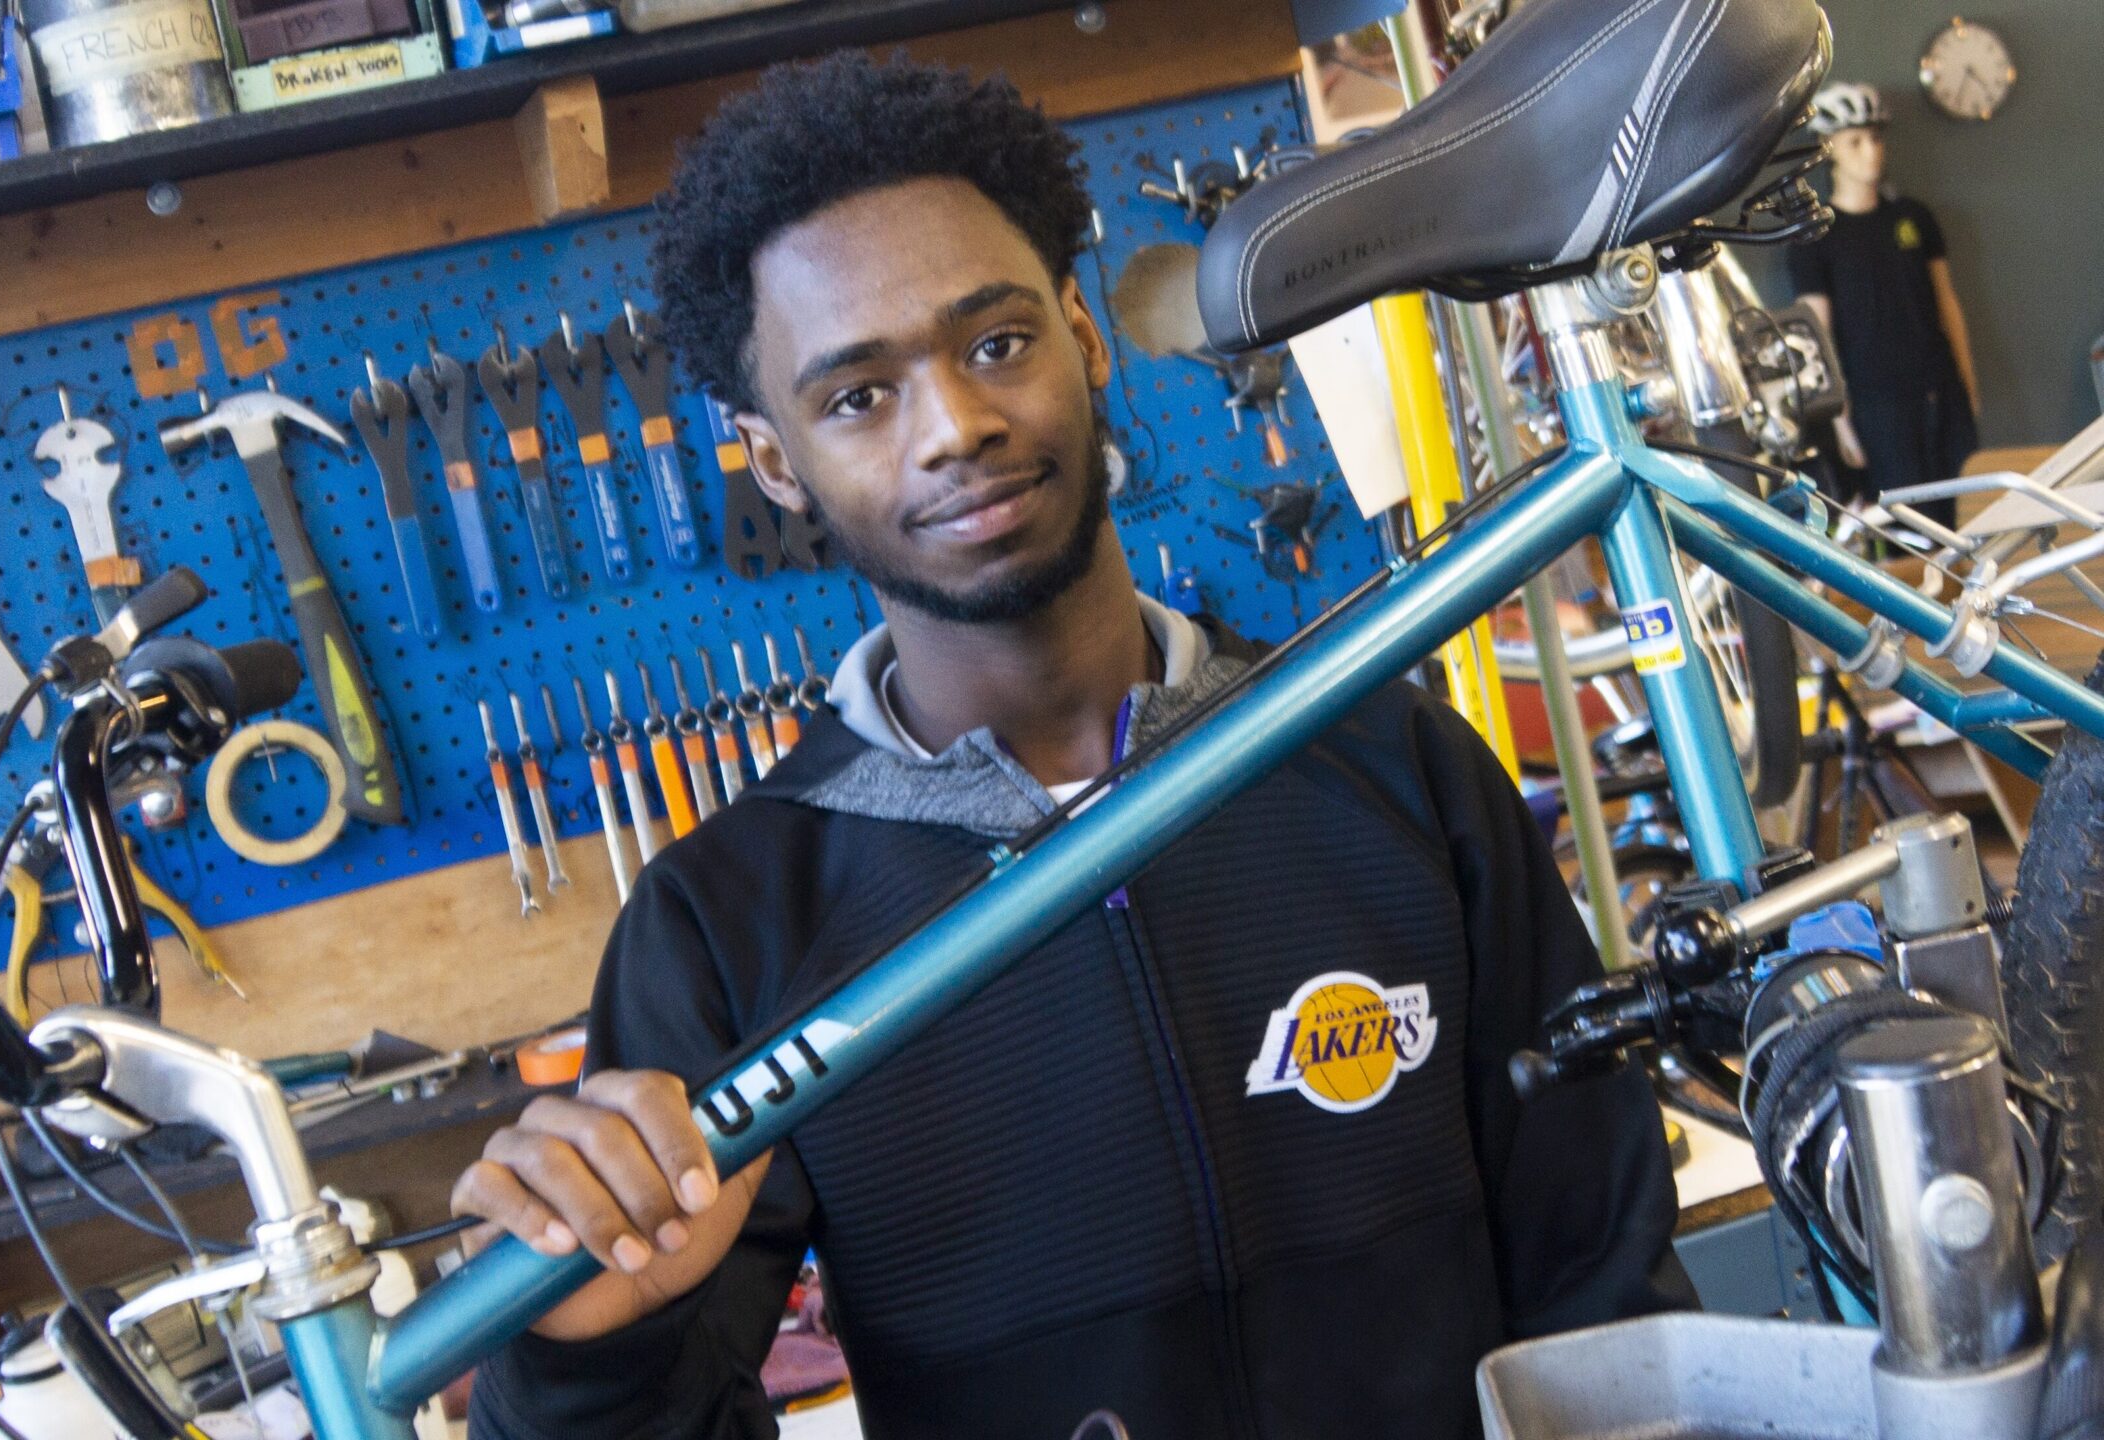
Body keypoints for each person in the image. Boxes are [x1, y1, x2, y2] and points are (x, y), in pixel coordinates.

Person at [453, 53, 1693, 1440]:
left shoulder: (1397, 768)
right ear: (776, 463)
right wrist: (589, 1352)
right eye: (858, 396)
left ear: (1086, 346)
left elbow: (1612, 1297)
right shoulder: (729, 927)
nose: (958, 428)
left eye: (995, 343)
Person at [1789, 81, 1982, 524]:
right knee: (1913, 524)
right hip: (1878, 404)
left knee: (1970, 513)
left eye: (1875, 139)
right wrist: (1840, 420)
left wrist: (1967, 385)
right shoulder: (1815, 238)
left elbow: (1946, 302)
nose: (1870, 152)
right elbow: (1815, 335)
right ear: (1830, 148)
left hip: (1939, 389)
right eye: (1855, 141)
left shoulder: (1913, 217)